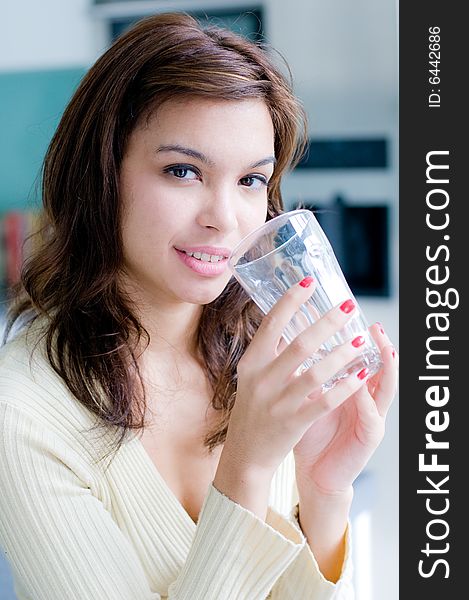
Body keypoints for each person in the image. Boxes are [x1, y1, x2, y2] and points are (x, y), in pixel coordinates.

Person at [0, 12, 398, 600]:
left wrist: (323, 488)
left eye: (250, 181)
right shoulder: (23, 411)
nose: (226, 218)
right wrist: (246, 469)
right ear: (101, 175)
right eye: (183, 171)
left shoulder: (259, 358)